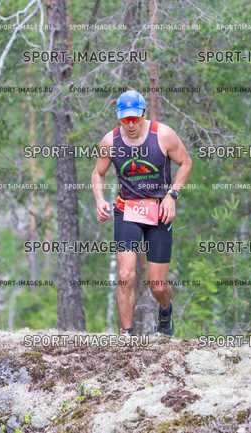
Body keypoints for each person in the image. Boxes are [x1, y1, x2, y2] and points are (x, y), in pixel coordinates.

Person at [91, 90, 192, 337]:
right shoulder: (110, 141)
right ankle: (126, 334)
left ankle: (165, 311)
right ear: (119, 118)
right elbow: (98, 173)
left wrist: (172, 195)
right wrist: (100, 200)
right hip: (127, 209)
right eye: (125, 119)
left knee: (157, 285)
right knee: (125, 274)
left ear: (143, 114)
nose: (131, 124)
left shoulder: (163, 135)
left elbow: (186, 163)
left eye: (135, 118)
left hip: (159, 211)